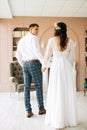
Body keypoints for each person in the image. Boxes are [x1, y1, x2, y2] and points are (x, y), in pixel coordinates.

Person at [42, 22, 77, 129]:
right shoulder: (70, 41)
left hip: (56, 66)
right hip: (66, 67)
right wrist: (70, 68)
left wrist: (44, 66)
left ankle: (56, 119)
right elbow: (72, 58)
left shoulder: (51, 40)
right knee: (66, 90)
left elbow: (47, 55)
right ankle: (68, 118)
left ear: (56, 29)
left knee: (56, 90)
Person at [16, 23, 46, 118]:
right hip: (35, 63)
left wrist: (23, 64)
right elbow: (37, 52)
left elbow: (17, 55)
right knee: (38, 86)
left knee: (26, 88)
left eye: (38, 29)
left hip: (25, 64)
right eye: (35, 29)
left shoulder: (21, 40)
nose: (37, 31)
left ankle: (28, 111)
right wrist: (44, 63)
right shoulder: (34, 38)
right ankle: (41, 109)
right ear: (30, 30)